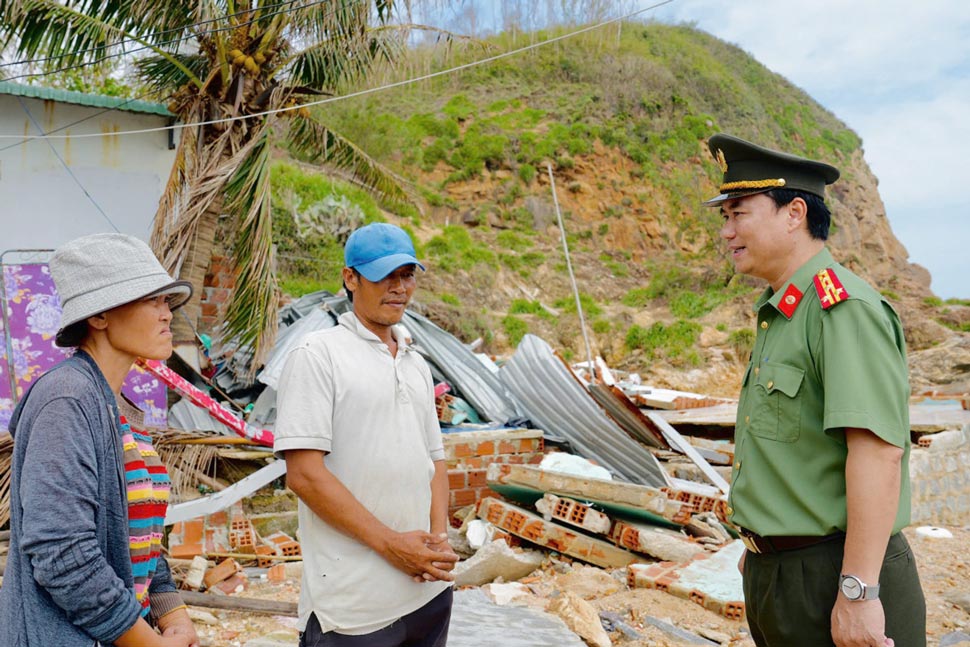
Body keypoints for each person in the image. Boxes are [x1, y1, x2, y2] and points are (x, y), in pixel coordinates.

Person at [704, 134, 925, 647]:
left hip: (834, 573)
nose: (728, 231)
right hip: (779, 572)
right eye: (724, 217)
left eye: (739, 213)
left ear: (794, 212)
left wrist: (858, 591)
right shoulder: (781, 311)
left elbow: (876, 454)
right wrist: (763, 544)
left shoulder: (842, 308)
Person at [0, 233, 200, 646]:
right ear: (99, 317)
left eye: (167, 301)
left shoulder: (117, 405)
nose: (167, 315)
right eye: (152, 300)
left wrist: (171, 610)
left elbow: (139, 536)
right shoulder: (67, 399)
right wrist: (148, 643)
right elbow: (62, 554)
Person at [274, 222, 458, 647]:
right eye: (384, 275)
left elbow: (434, 460)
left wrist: (437, 544)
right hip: (353, 610)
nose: (398, 288)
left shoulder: (415, 362)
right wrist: (394, 546)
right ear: (350, 278)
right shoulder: (318, 355)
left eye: (407, 275)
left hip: (426, 595)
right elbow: (303, 475)